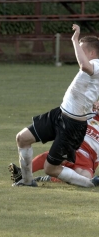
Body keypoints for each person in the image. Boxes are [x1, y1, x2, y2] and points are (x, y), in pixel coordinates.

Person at [14, 24, 99, 188]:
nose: (78, 54)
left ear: (91, 53)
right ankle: (26, 182)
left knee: (50, 168)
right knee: (22, 138)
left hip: (73, 125)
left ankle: (90, 183)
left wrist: (75, 40)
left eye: (81, 50)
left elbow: (84, 66)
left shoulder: (97, 63)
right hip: (60, 114)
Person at [9, 114, 99, 185]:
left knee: (84, 179)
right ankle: (23, 173)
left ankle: (49, 179)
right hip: (74, 148)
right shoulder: (88, 115)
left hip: (88, 160)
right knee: (50, 158)